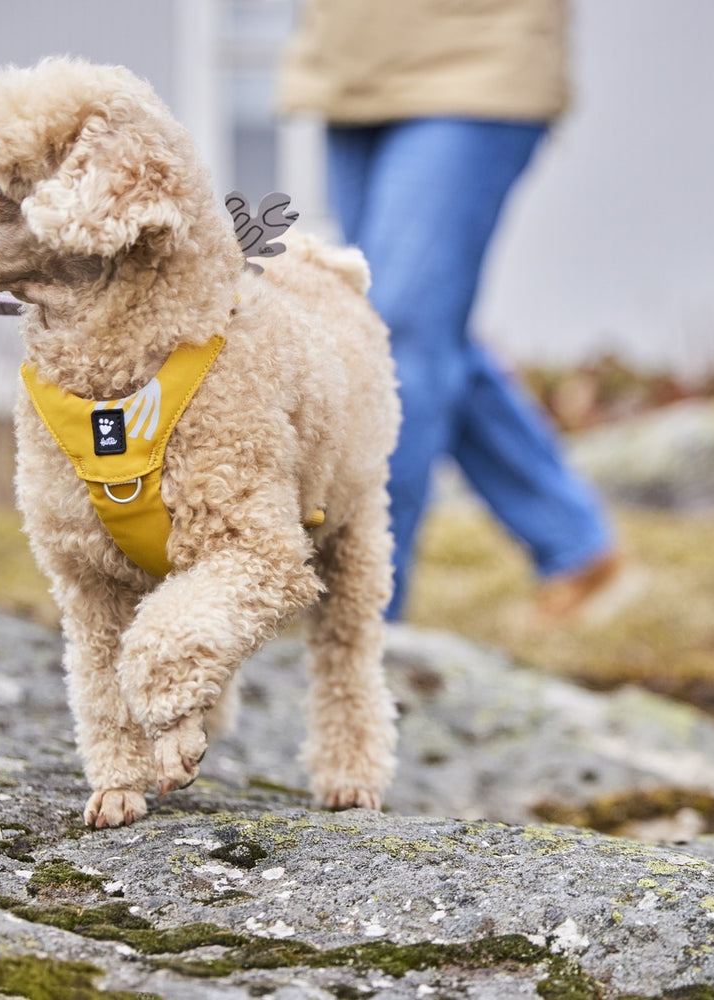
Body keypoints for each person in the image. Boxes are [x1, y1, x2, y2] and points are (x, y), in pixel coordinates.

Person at [278, 0, 621, 622]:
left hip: (478, 55)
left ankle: (360, 611)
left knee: (392, 336)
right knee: (418, 330)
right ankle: (572, 538)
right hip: (352, 62)